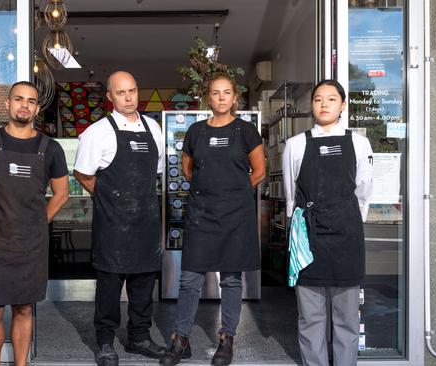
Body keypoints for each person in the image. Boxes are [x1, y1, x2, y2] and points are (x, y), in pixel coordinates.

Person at [160, 73, 265, 366]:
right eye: (215, 93)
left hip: (236, 216)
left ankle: (226, 338)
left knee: (231, 279)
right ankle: (180, 338)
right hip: (202, 214)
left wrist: (233, 196)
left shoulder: (246, 131)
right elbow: (188, 169)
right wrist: (210, 194)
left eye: (226, 93)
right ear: (209, 98)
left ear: (235, 98)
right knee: (190, 277)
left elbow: (258, 172)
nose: (221, 98)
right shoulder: (195, 132)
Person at [0, 81, 69, 366]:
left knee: (24, 309)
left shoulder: (51, 148)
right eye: (19, 99)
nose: (25, 104)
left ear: (37, 108)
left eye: (31, 101)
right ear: (7, 104)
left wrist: (37, 222)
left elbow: (62, 194)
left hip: (31, 244)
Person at [73, 71, 166, 366]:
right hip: (113, 225)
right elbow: (82, 173)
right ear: (110, 97)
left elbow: (157, 171)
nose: (129, 98)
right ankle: (104, 341)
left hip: (147, 223)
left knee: (143, 286)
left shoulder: (153, 128)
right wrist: (107, 198)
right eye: (121, 92)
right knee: (109, 288)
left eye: (133, 91)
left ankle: (139, 337)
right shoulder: (97, 132)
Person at [282, 79, 373, 366]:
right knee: (310, 316)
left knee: (347, 316)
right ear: (312, 105)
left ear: (342, 105)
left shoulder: (359, 143)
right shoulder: (295, 145)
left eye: (331, 99)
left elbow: (363, 193)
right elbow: (290, 196)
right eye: (319, 99)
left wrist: (348, 222)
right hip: (308, 235)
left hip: (347, 236)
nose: (324, 104)